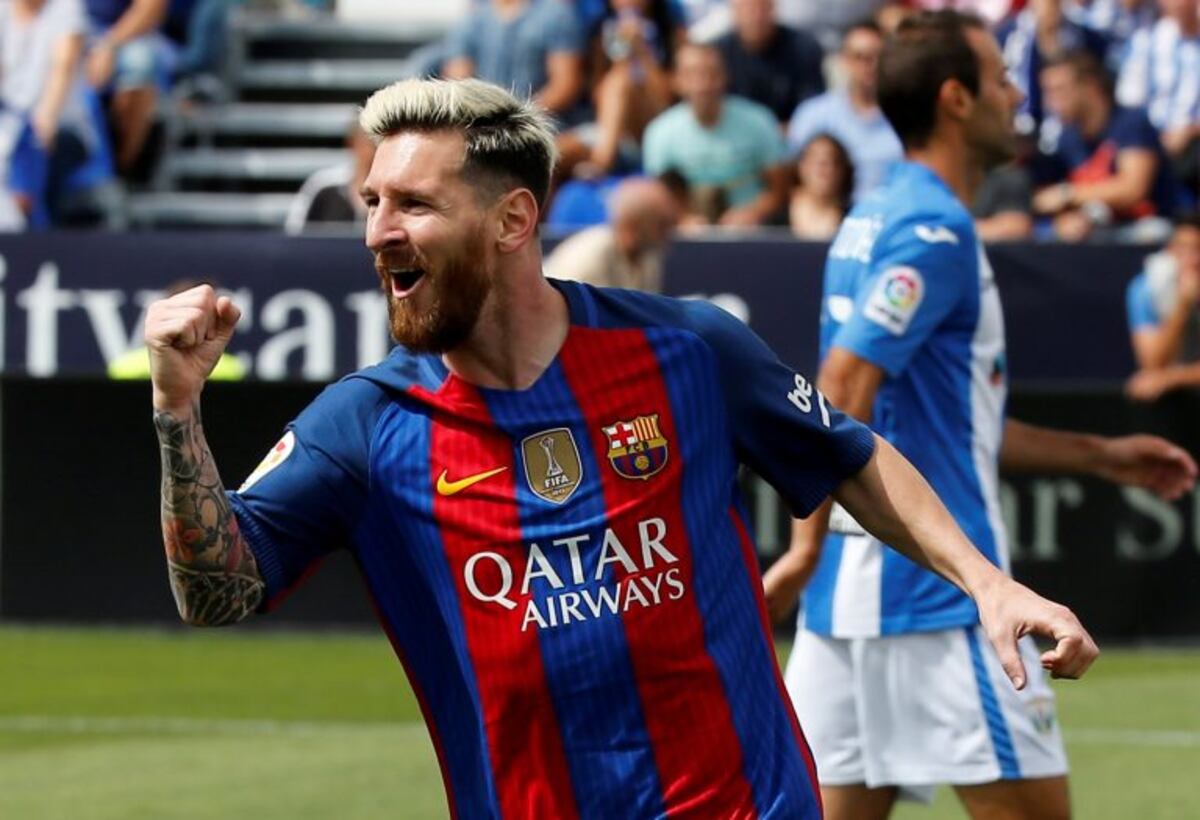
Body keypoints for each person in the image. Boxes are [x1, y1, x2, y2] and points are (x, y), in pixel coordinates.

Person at [145, 75, 1101, 818]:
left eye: (412, 205)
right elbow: (218, 589)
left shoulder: (688, 349)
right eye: (371, 202)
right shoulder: (365, 422)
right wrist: (177, 411)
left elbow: (847, 452)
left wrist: (987, 582)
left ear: (514, 219)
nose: (378, 233)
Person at [762, 13, 1194, 820]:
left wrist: (1101, 455)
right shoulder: (934, 227)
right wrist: (802, 545)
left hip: (845, 611)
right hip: (939, 603)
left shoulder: (870, 217)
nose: (1015, 93)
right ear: (957, 99)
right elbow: (843, 383)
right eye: (1000, 78)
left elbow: (944, 428)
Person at [1033, 49, 1179, 242]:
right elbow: (1049, 202)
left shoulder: (1131, 123)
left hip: (1148, 229)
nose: (1051, 101)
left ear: (1091, 87)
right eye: (1047, 92)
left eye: (1060, 90)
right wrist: (1065, 220)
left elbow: (1132, 189)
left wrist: (1066, 194)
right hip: (1100, 229)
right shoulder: (1067, 138)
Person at [642, 41, 789, 226]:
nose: (702, 84)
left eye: (711, 73)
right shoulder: (659, 132)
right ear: (677, 81)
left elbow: (780, 189)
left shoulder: (759, 121)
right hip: (685, 236)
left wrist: (753, 213)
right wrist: (683, 220)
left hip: (751, 233)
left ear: (725, 76)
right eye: (692, 75)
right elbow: (658, 194)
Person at [556, 0, 682, 179]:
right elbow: (597, 96)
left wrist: (642, 53)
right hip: (614, 130)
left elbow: (668, 97)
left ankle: (601, 162)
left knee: (620, 82)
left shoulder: (668, 28)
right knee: (555, 153)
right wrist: (622, 58)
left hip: (653, 125)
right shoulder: (603, 30)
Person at [786, 20, 903, 202]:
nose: (868, 65)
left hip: (891, 218)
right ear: (843, 60)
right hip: (828, 224)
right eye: (859, 57)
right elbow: (793, 177)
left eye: (876, 56)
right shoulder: (813, 115)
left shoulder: (907, 117)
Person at [442, 0, 586, 118]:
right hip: (483, 121)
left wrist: (519, 116)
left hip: (543, 122)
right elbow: (459, 80)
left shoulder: (556, 15)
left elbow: (566, 84)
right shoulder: (472, 20)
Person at [1115, 0, 1200, 194]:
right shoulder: (1147, 41)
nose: (1179, 4)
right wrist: (1155, 138)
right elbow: (1130, 101)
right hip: (1154, 140)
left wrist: (1190, 131)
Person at [544, 175, 679, 291]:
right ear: (635, 224)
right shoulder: (590, 258)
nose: (667, 233)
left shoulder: (649, 258)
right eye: (661, 224)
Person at [83, 0, 171, 174]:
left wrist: (109, 46)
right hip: (74, 35)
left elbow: (151, 9)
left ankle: (121, 171)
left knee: (140, 63)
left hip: (129, 35)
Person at [1126, 213, 1200, 401]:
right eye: (1184, 248)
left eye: (1198, 249)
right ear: (1170, 249)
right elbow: (1153, 365)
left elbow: (1159, 376)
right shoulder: (1145, 288)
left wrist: (1175, 377)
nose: (1193, 260)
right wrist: (1183, 305)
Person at [713, 0, 826, 123]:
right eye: (748, 9)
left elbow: (813, 107)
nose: (756, 17)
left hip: (791, 132)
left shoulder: (803, 48)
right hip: (733, 133)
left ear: (774, 10)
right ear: (734, 12)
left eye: (762, 8)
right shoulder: (717, 54)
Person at [284, 121, 375, 235]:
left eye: (378, 143)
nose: (373, 150)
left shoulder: (393, 190)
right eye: (368, 142)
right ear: (352, 142)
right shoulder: (322, 186)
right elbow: (295, 236)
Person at [788, 133, 855, 241]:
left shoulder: (855, 220)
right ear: (801, 166)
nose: (823, 168)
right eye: (816, 160)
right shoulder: (773, 222)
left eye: (833, 161)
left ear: (843, 171)